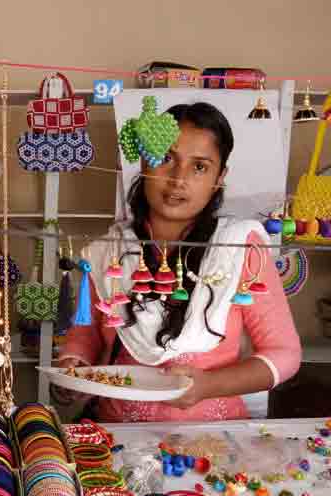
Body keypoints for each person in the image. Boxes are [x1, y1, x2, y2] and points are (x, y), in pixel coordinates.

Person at [55, 102, 301, 422]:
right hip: (117, 438)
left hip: (211, 444)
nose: (178, 179)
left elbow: (284, 354)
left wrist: (210, 385)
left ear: (219, 177)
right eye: (166, 158)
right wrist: (73, 368)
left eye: (199, 167)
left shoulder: (240, 248)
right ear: (144, 162)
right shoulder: (108, 254)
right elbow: (84, 336)